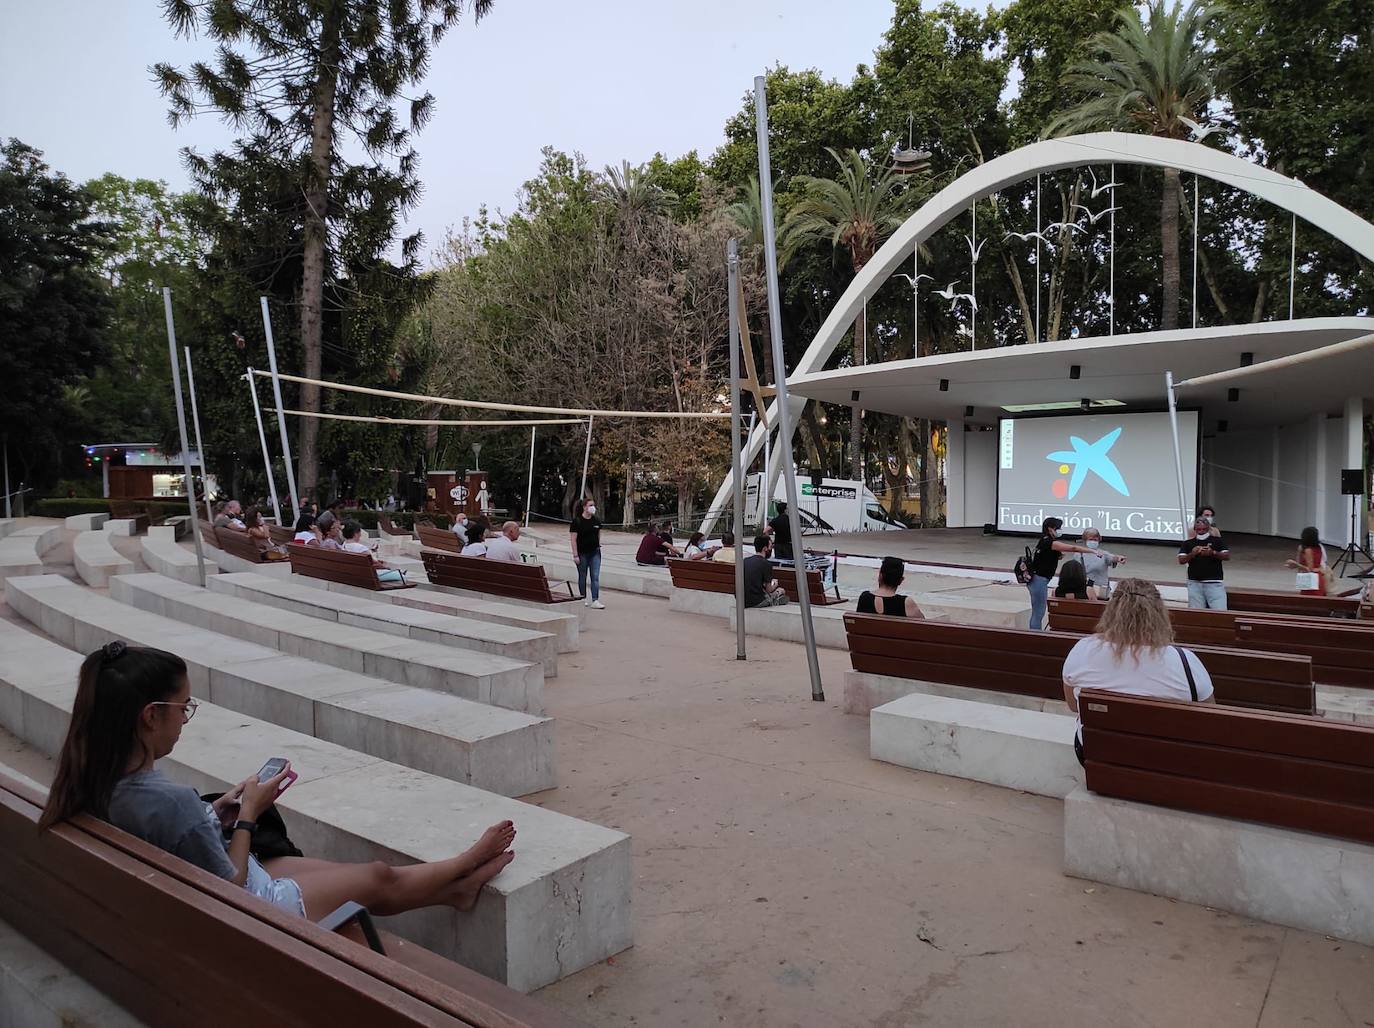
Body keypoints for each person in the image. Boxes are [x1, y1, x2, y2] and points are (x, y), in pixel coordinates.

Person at [39, 642, 516, 921]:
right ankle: (462, 866)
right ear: (150, 716)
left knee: (344, 870)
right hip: (241, 915)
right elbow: (230, 889)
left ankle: (454, 889)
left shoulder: (89, 779)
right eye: (183, 708)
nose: (185, 720)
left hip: (190, 899)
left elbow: (175, 834)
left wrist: (217, 811)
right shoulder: (166, 799)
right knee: (375, 876)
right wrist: (247, 815)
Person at [1062, 578, 1215, 765]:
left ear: (1110, 613)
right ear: (1159, 615)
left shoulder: (1082, 651)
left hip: (1097, 755)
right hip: (1169, 761)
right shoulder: (1185, 662)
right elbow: (1209, 717)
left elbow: (1072, 705)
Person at [1025, 517, 1097, 630]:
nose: (1059, 530)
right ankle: (1035, 636)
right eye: (1057, 528)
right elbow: (1073, 548)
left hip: (1039, 579)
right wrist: (1093, 551)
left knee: (1038, 611)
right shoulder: (1049, 542)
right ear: (1050, 529)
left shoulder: (1044, 540)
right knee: (1038, 612)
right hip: (1039, 580)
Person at [1178, 515, 1230, 609]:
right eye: (1198, 528)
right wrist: (1192, 554)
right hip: (1194, 583)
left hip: (1214, 583)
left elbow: (1226, 556)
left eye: (1203, 528)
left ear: (1208, 528)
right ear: (1194, 529)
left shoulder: (1218, 541)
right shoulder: (1188, 543)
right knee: (1196, 615)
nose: (1201, 530)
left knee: (1220, 613)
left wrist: (1212, 553)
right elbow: (1181, 560)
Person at [856, 556, 924, 618]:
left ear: (880, 576)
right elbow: (923, 624)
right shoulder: (906, 602)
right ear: (900, 580)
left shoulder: (864, 597)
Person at [340, 520, 404, 583]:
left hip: (353, 574)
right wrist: (385, 566)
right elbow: (374, 564)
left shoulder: (344, 545)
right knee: (401, 576)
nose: (360, 535)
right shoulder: (361, 548)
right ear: (356, 534)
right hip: (367, 576)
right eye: (360, 532)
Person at [568, 498, 604, 609]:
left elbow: (598, 534)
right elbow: (573, 539)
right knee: (582, 576)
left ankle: (595, 599)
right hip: (582, 553)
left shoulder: (596, 520)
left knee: (595, 576)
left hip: (595, 552)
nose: (593, 507)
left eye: (593, 505)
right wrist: (575, 555)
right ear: (584, 507)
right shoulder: (577, 521)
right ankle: (582, 597)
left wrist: (598, 545)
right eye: (590, 505)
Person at [1079, 527, 1125, 599]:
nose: (1093, 541)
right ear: (1085, 540)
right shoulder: (1079, 554)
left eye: (1095, 540)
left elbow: (1112, 558)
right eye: (1091, 539)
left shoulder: (1103, 553)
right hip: (1084, 589)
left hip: (1101, 589)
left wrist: (1118, 558)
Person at [1284, 526, 1330, 595]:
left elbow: (1309, 569)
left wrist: (1296, 565)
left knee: (1308, 599)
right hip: (1317, 578)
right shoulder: (1319, 547)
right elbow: (1321, 563)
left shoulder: (1307, 550)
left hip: (1310, 579)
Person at [743, 535, 787, 607]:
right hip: (757, 601)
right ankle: (774, 600)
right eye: (770, 547)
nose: (771, 549)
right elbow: (769, 589)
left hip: (742, 600)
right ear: (765, 549)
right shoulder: (766, 564)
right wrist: (775, 585)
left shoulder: (745, 561)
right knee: (781, 591)